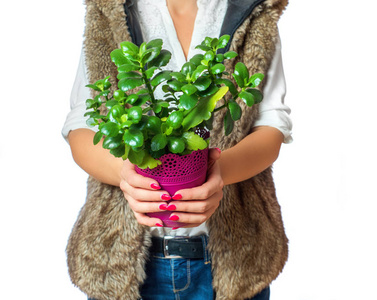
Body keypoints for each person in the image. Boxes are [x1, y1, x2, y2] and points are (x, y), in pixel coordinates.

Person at [63, 0, 292, 299]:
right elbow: (82, 126)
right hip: (121, 263)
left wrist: (219, 173)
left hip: (235, 259)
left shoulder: (253, 9)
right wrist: (123, 173)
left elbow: (271, 126)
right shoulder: (110, 9)